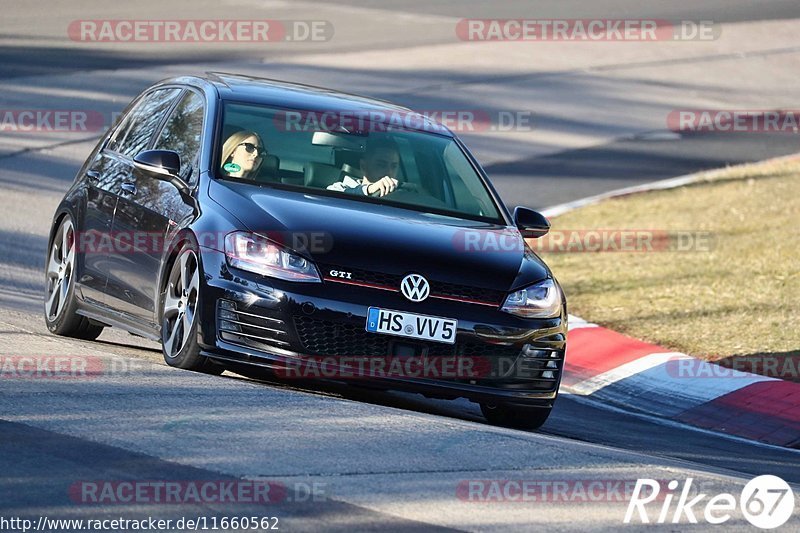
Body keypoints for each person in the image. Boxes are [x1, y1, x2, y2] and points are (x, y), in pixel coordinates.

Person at [327, 138, 400, 197]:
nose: (389, 172)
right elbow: (331, 199)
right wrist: (369, 189)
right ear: (363, 166)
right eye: (381, 165)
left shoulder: (402, 194)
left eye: (394, 166)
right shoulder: (340, 188)